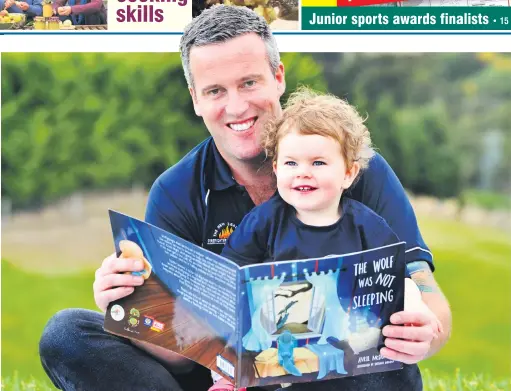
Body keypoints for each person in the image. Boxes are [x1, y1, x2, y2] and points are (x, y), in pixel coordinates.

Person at [38, 5, 451, 391]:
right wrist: (128, 309)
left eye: (249, 82)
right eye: (215, 90)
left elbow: (424, 289)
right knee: (67, 334)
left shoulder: (358, 166)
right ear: (196, 99)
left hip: (327, 371)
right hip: (222, 377)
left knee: (384, 359)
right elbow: (179, 357)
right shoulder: (176, 190)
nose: (236, 106)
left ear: (278, 77)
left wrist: (425, 333)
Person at [210, 86, 442, 391]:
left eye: (318, 163)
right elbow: (230, 281)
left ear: (348, 173)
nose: (303, 173)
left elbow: (400, 277)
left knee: (389, 374)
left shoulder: (365, 224)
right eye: (291, 163)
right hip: (286, 353)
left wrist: (419, 309)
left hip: (351, 354)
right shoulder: (264, 222)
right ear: (277, 169)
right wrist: (227, 365)